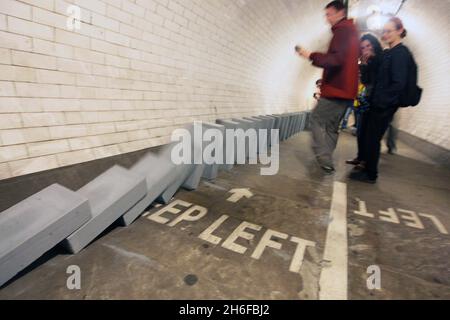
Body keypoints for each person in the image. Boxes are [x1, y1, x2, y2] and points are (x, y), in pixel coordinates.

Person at [297, 0, 359, 174]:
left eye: (329, 14)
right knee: (332, 127)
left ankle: (323, 157)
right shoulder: (353, 32)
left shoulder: (343, 31)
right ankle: (327, 160)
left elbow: (335, 60)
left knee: (315, 119)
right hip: (347, 91)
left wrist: (310, 55)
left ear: (340, 13)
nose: (327, 19)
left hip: (336, 88)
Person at [350, 17, 413, 183]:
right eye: (384, 31)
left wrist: (382, 101)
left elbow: (398, 83)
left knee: (372, 138)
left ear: (399, 31)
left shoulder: (400, 53)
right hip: (379, 102)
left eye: (389, 31)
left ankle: (371, 174)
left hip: (384, 104)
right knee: (371, 137)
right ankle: (368, 169)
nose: (385, 34)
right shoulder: (390, 52)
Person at [346, 33, 383, 169]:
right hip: (366, 98)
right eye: (362, 47)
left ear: (374, 44)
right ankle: (360, 157)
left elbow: (381, 78)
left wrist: (374, 60)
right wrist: (365, 65)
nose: (366, 49)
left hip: (377, 100)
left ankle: (366, 161)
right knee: (360, 130)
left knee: (370, 134)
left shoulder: (382, 58)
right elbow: (366, 81)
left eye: (368, 45)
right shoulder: (366, 61)